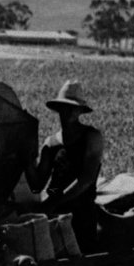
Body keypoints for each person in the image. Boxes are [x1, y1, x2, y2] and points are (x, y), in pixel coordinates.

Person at [28, 79, 106, 245]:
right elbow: (37, 184)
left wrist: (53, 202)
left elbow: (86, 179)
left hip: (82, 213)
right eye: (66, 107)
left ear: (80, 111)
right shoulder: (51, 144)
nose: (70, 111)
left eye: (74, 108)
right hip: (57, 214)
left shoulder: (91, 137)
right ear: (59, 109)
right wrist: (26, 158)